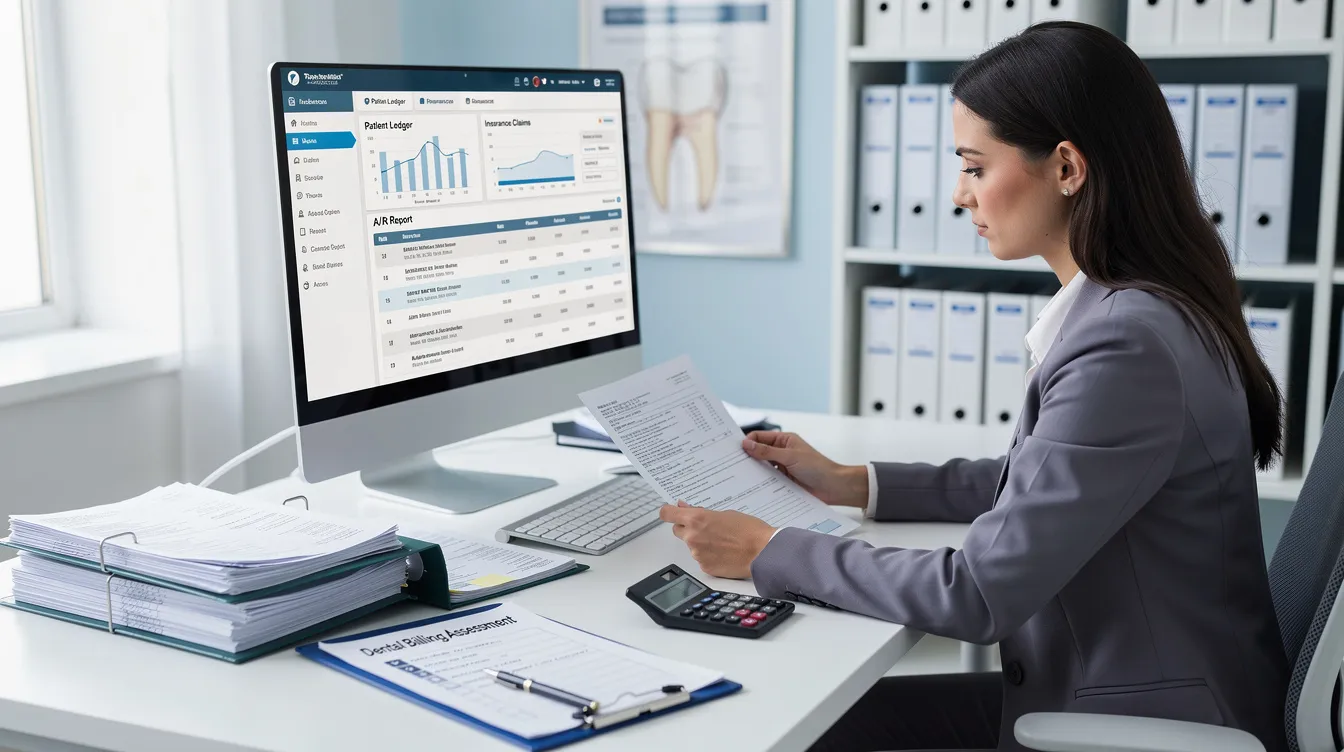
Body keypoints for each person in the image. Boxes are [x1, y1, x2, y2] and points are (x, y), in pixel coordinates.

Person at [657, 21, 1290, 752]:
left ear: (1066, 168)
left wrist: (769, 549)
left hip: (1145, 725)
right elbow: (1042, 479)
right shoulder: (1142, 306)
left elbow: (978, 594)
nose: (960, 195)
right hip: (1119, 687)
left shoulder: (1126, 342)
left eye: (974, 166)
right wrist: (851, 482)